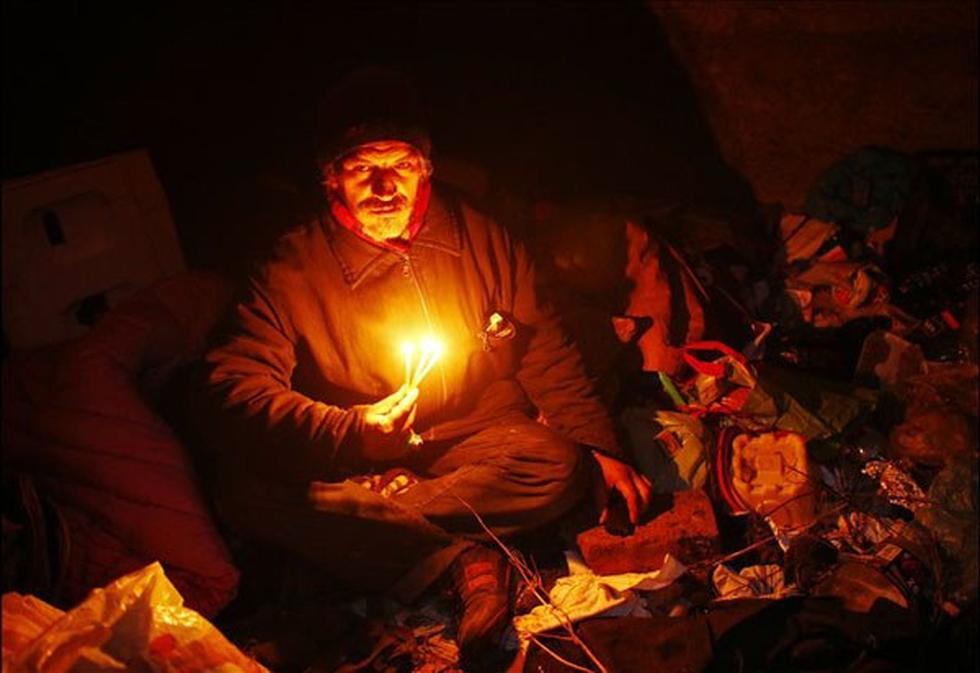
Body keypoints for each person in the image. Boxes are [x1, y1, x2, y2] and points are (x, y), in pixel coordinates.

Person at [202, 67, 651, 669]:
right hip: (357, 452)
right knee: (241, 491)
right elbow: (234, 388)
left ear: (426, 168)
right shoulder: (290, 269)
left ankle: (362, 540)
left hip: (470, 438)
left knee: (558, 465)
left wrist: (599, 445)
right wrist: (351, 431)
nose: (385, 185)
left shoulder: (483, 239)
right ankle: (464, 562)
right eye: (363, 167)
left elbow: (543, 348)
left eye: (402, 164)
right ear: (331, 176)